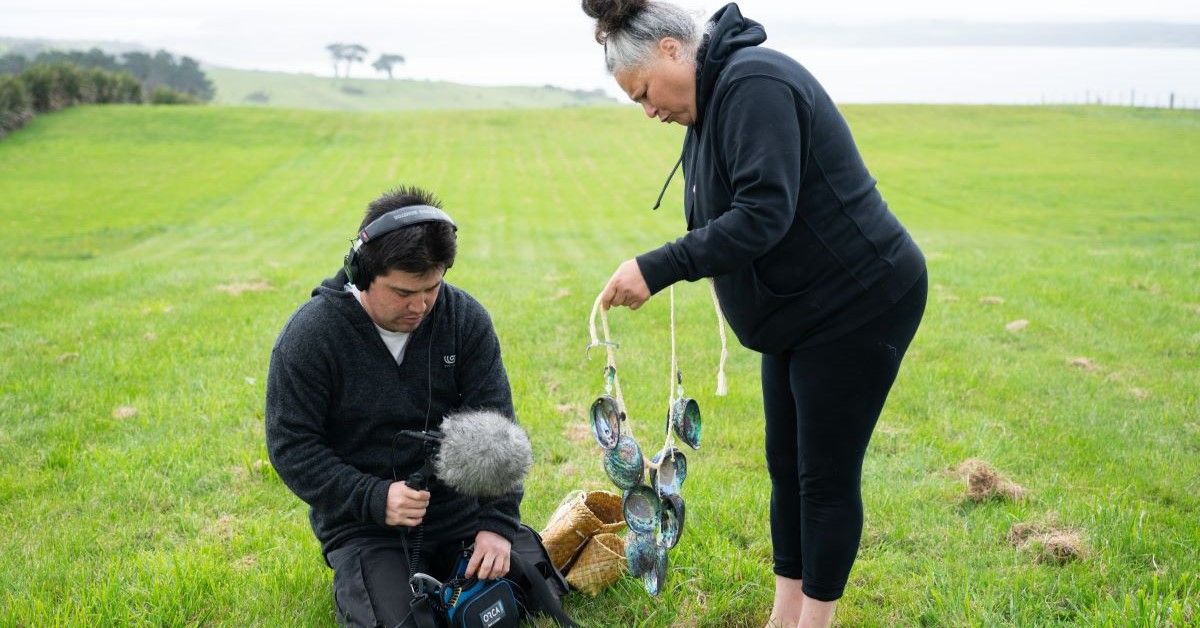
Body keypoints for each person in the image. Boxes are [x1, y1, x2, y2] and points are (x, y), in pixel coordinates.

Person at [580, 2, 928, 626]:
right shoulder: (711, 105)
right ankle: (782, 614)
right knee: (784, 464)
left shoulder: (754, 84)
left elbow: (764, 212)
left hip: (859, 300)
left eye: (643, 96)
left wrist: (656, 268)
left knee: (822, 473)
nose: (649, 111)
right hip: (800, 313)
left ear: (669, 49)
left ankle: (813, 623)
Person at [265, 186, 550, 627]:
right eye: (402, 292)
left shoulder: (465, 320)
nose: (419, 306)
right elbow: (292, 447)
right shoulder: (311, 336)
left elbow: (498, 432)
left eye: (431, 289)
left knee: (523, 592)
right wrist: (375, 498)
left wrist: (496, 526)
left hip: (460, 518)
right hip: (368, 528)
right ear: (362, 273)